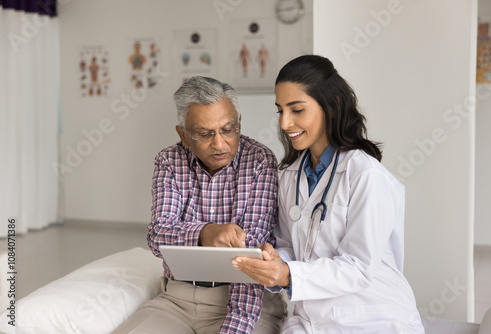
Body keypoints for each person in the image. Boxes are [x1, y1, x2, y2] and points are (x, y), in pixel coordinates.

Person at [232, 55, 425, 333]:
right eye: (280, 111)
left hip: (371, 316)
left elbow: (359, 267)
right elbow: (289, 244)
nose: (285, 123)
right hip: (309, 319)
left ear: (331, 107)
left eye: (297, 110)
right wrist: (276, 263)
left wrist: (288, 274)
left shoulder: (364, 174)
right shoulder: (290, 177)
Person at [112, 76, 286, 334]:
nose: (219, 144)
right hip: (177, 299)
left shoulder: (260, 161)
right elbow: (158, 236)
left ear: (239, 123)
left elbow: (251, 259)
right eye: (204, 134)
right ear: (183, 134)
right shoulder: (169, 161)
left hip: (246, 304)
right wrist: (205, 233)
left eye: (228, 130)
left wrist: (234, 328)